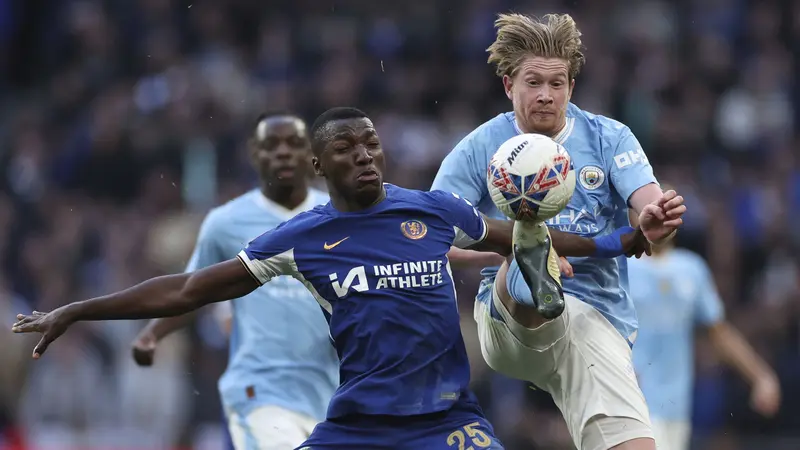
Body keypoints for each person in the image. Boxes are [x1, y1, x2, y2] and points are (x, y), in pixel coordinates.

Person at [14, 107, 648, 449]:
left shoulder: (431, 212)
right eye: (348, 149)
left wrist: (618, 240)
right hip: (359, 427)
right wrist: (77, 310)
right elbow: (187, 290)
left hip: (446, 421)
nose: (365, 156)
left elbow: (527, 237)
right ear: (319, 163)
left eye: (371, 144)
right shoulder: (303, 238)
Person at [433, 13, 686, 450]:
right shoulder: (480, 146)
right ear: (509, 86)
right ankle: (531, 266)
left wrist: (654, 220)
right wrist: (506, 251)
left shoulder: (609, 138)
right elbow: (432, 236)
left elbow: (648, 209)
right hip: (508, 317)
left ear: (571, 87)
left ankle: (534, 259)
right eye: (533, 83)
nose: (546, 96)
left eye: (557, 84)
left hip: (599, 317)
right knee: (521, 259)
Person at [130, 112, 339, 450]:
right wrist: (154, 332)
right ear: (255, 154)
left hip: (329, 389)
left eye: (294, 143)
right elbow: (192, 292)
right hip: (257, 391)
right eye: (271, 144)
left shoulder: (339, 217)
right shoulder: (226, 223)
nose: (283, 152)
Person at [629, 232, 781, 450]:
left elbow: (719, 331)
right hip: (630, 402)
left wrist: (760, 375)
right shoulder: (622, 266)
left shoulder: (692, 269)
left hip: (675, 407)